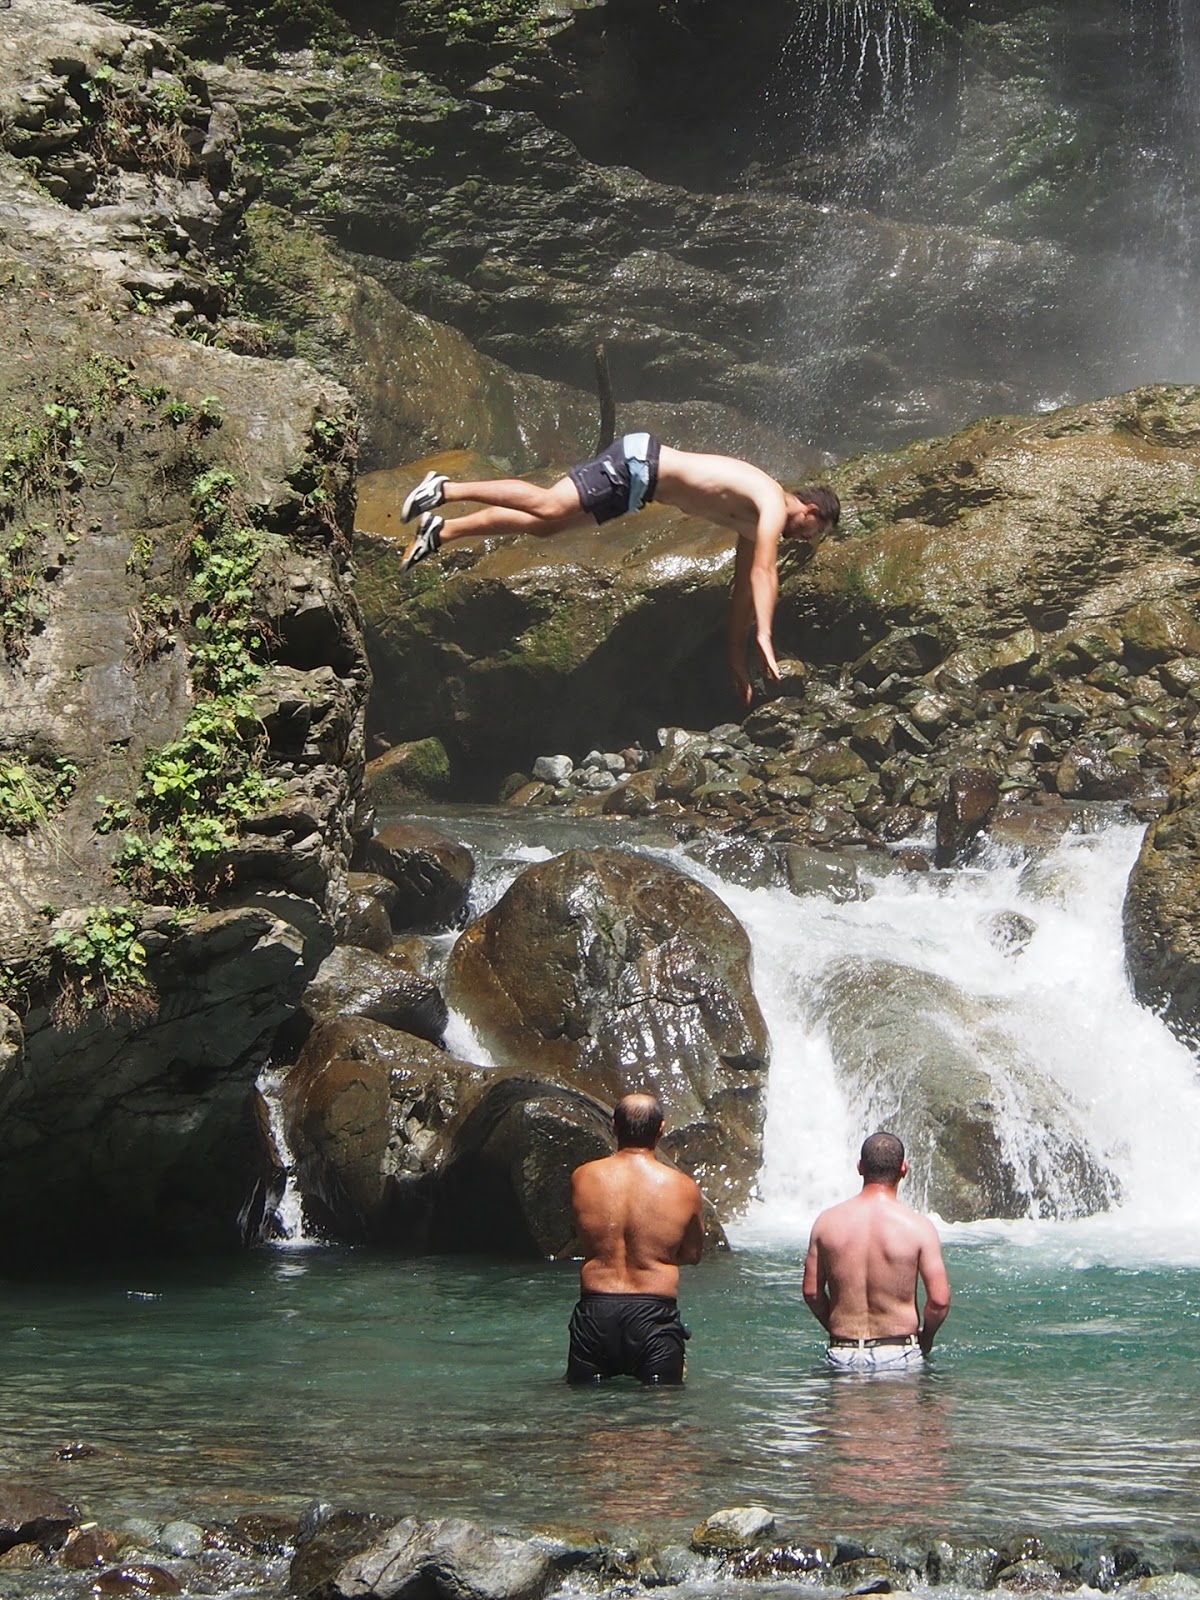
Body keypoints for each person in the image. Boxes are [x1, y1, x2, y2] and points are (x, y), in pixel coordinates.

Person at [398, 434, 840, 705]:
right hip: (638, 464)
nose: (805, 538)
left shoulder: (754, 523)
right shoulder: (768, 501)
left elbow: (743, 590)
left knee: (546, 528)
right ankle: (446, 487)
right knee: (551, 503)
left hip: (639, 490)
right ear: (810, 509)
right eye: (813, 530)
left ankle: (442, 532)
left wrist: (735, 661)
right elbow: (765, 573)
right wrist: (765, 635)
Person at [565, 1090, 705, 1385]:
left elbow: (582, 1235)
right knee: (660, 1421)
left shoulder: (583, 1177)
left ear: (614, 1126)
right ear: (661, 1129)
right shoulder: (683, 1187)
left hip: (595, 1312)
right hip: (654, 1315)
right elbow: (692, 1254)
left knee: (586, 1420)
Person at [802, 1131, 951, 1372]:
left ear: (860, 1167)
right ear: (904, 1169)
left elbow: (811, 1292)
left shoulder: (826, 1223)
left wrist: (837, 1328)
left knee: (843, 1411)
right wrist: (927, 1338)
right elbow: (939, 1301)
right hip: (899, 1350)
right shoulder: (919, 1227)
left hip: (842, 1351)